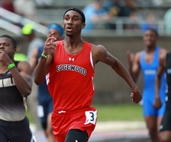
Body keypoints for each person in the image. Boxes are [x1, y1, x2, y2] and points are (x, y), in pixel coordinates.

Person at [34, 7, 142, 142]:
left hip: (82, 114)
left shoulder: (95, 51)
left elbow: (115, 63)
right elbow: (38, 80)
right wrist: (44, 55)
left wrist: (134, 88)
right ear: (63, 24)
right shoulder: (53, 49)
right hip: (59, 115)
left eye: (75, 19)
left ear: (83, 25)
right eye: (66, 19)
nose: (70, 22)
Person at [0, 35, 35, 142]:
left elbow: (26, 91)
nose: (1, 47)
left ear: (14, 49)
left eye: (6, 45)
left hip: (19, 125)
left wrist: (10, 64)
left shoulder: (22, 66)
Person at [127, 29, 167, 142]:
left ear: (156, 38)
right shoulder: (139, 56)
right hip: (148, 97)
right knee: (151, 131)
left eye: (152, 36)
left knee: (162, 131)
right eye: (146, 36)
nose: (149, 38)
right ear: (143, 39)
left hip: (162, 95)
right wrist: (130, 65)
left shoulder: (162, 54)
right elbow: (133, 78)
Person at [30, 24, 64, 142]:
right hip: (42, 94)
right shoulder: (39, 50)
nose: (52, 36)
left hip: (55, 96)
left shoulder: (65, 50)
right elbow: (30, 69)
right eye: (50, 33)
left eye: (55, 33)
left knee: (51, 128)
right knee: (45, 128)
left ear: (61, 36)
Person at [155, 52, 171, 142]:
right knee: (164, 138)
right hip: (170, 104)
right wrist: (157, 96)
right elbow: (158, 76)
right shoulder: (165, 57)